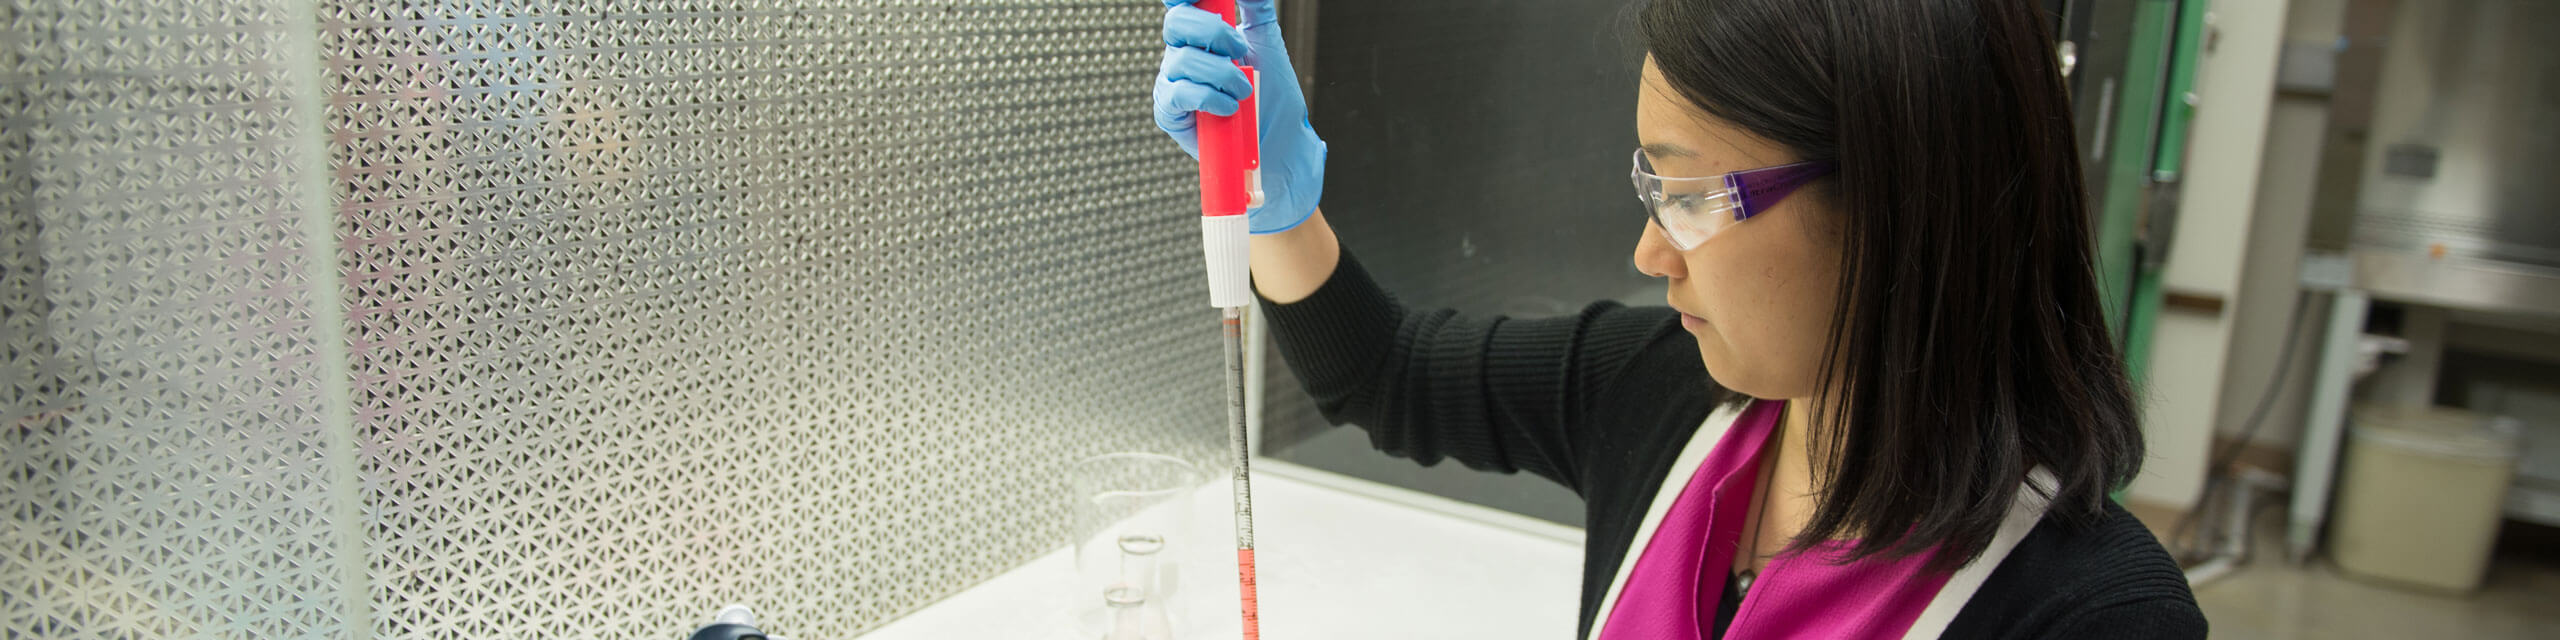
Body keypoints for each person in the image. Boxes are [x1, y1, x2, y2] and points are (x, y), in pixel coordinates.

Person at [1151, 0, 2208, 637]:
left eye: (1689, 196)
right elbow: (1386, 377)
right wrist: (1276, 199)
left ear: (1897, 209)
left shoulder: (2093, 617)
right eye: (1646, 188)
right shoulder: (1664, 394)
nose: (1649, 252)